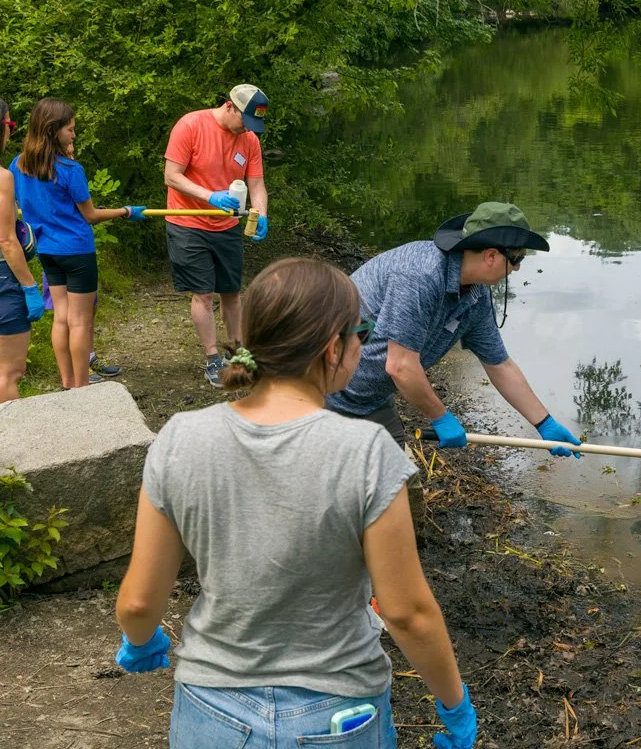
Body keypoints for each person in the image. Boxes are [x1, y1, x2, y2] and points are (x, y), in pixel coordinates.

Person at [113, 258, 477, 749]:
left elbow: (138, 602)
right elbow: (408, 613)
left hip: (211, 710)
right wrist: (454, 704)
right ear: (333, 348)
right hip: (338, 714)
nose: (363, 344)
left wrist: (141, 641)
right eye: (362, 332)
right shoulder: (368, 452)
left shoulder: (180, 438)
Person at [325, 202, 582, 473]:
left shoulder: (476, 297)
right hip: (321, 390)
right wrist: (441, 417)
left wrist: (544, 423)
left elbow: (499, 364)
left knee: (396, 487)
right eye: (516, 259)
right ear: (491, 256)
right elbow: (400, 366)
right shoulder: (420, 275)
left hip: (370, 399)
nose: (517, 269)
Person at [9, 97, 146, 389]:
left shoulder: (17, 165)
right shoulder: (70, 171)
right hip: (76, 251)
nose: (73, 134)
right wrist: (125, 212)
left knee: (62, 317)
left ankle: (68, 382)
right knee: (80, 321)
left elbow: (21, 204)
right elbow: (91, 215)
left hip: (45, 250)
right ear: (52, 129)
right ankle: (82, 387)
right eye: (69, 129)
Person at [163, 84, 270, 387]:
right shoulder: (191, 126)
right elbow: (172, 175)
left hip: (227, 227)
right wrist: (210, 197)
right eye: (244, 121)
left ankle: (236, 351)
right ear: (229, 107)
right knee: (203, 293)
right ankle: (212, 358)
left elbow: (257, 183)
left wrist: (261, 213)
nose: (246, 130)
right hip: (188, 223)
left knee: (232, 292)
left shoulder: (248, 140)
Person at [0, 98, 44, 401]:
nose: (10, 133)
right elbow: (5, 240)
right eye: (10, 125)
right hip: (3, 281)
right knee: (8, 373)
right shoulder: (2, 178)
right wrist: (30, 286)